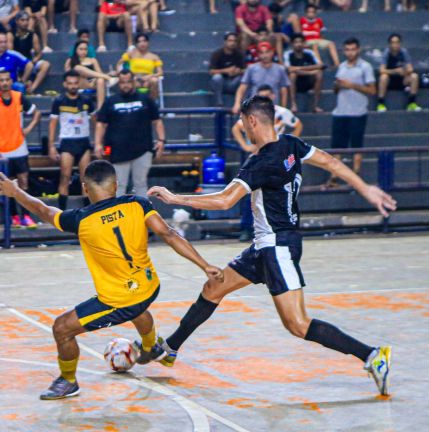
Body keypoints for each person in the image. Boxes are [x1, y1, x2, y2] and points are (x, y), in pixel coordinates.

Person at [147, 95, 396, 396]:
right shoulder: (292, 144)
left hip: (276, 248)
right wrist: (366, 188)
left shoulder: (260, 162)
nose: (243, 129)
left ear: (252, 121)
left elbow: (226, 200)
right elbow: (331, 162)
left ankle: (372, 356)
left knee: (297, 324)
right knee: (214, 287)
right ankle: (171, 347)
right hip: (265, 247)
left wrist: (176, 199)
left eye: (242, 123)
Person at [0, 160, 224, 399]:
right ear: (116, 186)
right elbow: (168, 233)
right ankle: (150, 346)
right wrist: (205, 265)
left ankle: (68, 381)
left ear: (84, 188)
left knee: (61, 329)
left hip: (120, 299)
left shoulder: (80, 220)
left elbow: (43, 210)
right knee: (138, 307)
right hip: (150, 286)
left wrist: (15, 191)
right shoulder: (138, 203)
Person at [232, 85, 302, 242]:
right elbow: (236, 128)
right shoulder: (253, 114)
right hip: (259, 157)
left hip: (277, 159)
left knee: (279, 193)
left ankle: (283, 226)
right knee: (248, 193)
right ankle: (246, 228)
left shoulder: (282, 113)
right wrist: (245, 146)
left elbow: (298, 124)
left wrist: (288, 144)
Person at [0, 69, 42, 228]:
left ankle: (26, 216)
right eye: (1, 80)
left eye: (7, 80)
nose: (4, 83)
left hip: (19, 147)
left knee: (23, 181)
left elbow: (37, 114)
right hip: (2, 149)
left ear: (11, 81)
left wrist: (28, 129)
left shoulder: (20, 97)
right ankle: (13, 216)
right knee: (7, 185)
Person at [95, 70, 165, 198]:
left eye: (128, 82)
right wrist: (98, 143)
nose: (125, 85)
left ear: (133, 82)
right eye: (122, 82)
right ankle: (117, 215)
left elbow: (157, 121)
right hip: (118, 150)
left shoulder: (145, 100)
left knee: (141, 183)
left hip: (143, 149)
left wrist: (161, 140)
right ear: (118, 83)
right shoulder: (110, 101)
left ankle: (144, 215)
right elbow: (101, 124)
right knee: (119, 184)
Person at [328, 37, 376, 187]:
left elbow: (372, 90)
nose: (350, 52)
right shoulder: (341, 66)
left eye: (353, 49)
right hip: (340, 112)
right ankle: (334, 177)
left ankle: (356, 177)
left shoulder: (365, 67)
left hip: (358, 112)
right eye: (347, 50)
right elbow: (336, 91)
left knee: (356, 146)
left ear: (358, 50)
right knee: (337, 147)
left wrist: (351, 85)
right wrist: (338, 85)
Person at [48, 71, 95, 210]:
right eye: (70, 83)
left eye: (75, 83)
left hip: (84, 142)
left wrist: (98, 140)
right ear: (65, 84)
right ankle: (61, 213)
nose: (73, 86)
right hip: (67, 142)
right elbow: (52, 124)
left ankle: (88, 212)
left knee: (85, 179)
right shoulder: (59, 101)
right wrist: (51, 146)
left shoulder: (86, 100)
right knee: (65, 177)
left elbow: (95, 120)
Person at [233, 42, 290, 114]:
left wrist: (283, 108)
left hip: (273, 109)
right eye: (261, 53)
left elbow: (284, 90)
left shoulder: (280, 69)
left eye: (267, 52)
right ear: (258, 54)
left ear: (272, 52)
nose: (264, 55)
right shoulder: (251, 68)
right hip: (254, 108)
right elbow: (242, 88)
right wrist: (237, 103)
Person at [7, 11, 51, 95]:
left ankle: (32, 88)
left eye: (27, 20)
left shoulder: (32, 35)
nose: (25, 23)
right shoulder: (11, 34)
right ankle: (22, 83)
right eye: (22, 20)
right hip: (16, 63)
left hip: (29, 61)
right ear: (17, 21)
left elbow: (39, 53)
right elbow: (11, 54)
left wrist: (35, 60)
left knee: (46, 65)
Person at [377, 33, 422, 112]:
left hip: (402, 79)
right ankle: (381, 104)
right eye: (393, 43)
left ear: (400, 43)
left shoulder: (404, 52)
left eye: (397, 42)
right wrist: (395, 71)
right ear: (390, 44)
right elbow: (381, 70)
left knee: (414, 76)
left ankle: (411, 103)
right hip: (390, 80)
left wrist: (404, 71)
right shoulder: (386, 53)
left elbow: (410, 68)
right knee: (383, 77)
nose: (395, 45)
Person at [64, 41, 114, 109]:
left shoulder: (93, 60)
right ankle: (108, 77)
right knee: (77, 68)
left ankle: (100, 108)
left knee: (100, 80)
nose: (83, 51)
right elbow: (67, 76)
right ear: (76, 50)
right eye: (81, 49)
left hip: (92, 83)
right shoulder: (70, 61)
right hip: (79, 82)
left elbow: (100, 73)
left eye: (85, 49)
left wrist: (106, 74)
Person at [284, 32, 324, 113]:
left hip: (308, 81)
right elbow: (289, 69)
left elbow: (320, 65)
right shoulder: (288, 54)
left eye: (300, 42)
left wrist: (299, 68)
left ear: (304, 43)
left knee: (319, 74)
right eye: (296, 42)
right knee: (292, 75)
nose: (298, 44)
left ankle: (315, 105)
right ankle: (293, 104)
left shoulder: (309, 53)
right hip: (295, 82)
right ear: (292, 44)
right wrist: (310, 72)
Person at [116, 33, 164, 100]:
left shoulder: (154, 57)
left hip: (148, 78)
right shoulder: (131, 54)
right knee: (130, 82)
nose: (142, 44)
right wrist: (120, 74)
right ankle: (131, 101)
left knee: (154, 81)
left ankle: (153, 103)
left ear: (148, 43)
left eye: (144, 41)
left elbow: (160, 72)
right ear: (136, 44)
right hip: (134, 77)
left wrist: (150, 76)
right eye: (139, 42)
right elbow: (119, 64)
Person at [209, 32, 247, 107]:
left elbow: (245, 70)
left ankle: (243, 103)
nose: (232, 43)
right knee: (217, 78)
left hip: (234, 82)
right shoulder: (217, 54)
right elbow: (211, 71)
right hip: (222, 83)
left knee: (244, 79)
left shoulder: (239, 54)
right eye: (230, 41)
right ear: (225, 42)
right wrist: (226, 70)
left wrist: (237, 71)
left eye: (234, 41)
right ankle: (218, 103)